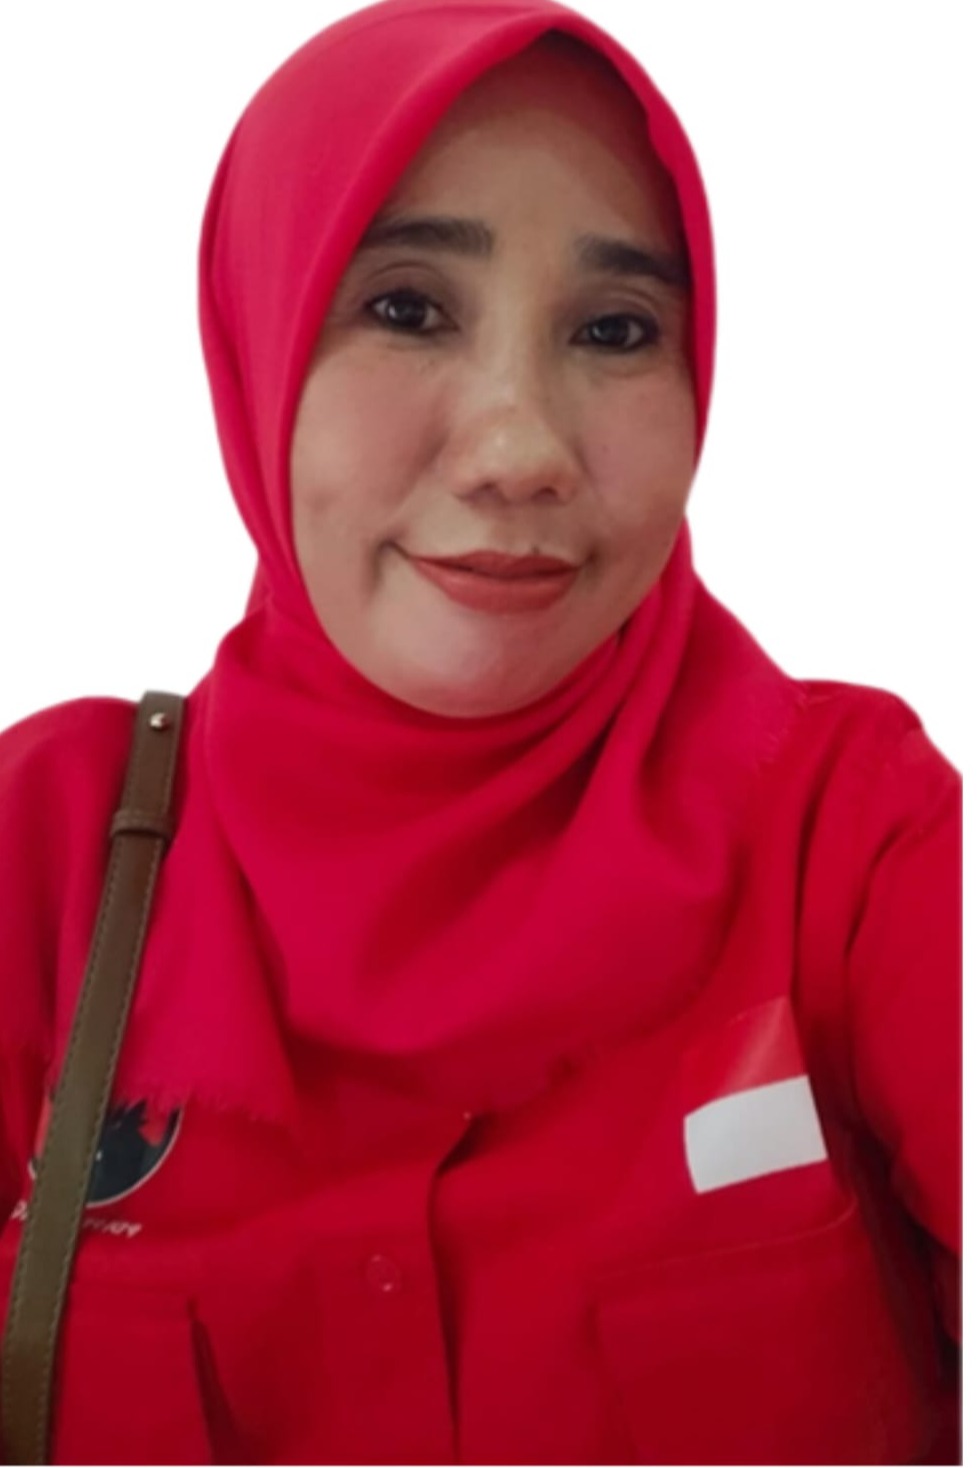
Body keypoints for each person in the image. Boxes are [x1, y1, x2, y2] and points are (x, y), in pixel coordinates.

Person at [0, 0, 961, 1462]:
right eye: (405, 309)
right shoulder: (46, 857)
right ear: (259, 340)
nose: (519, 450)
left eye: (615, 332)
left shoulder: (858, 839)